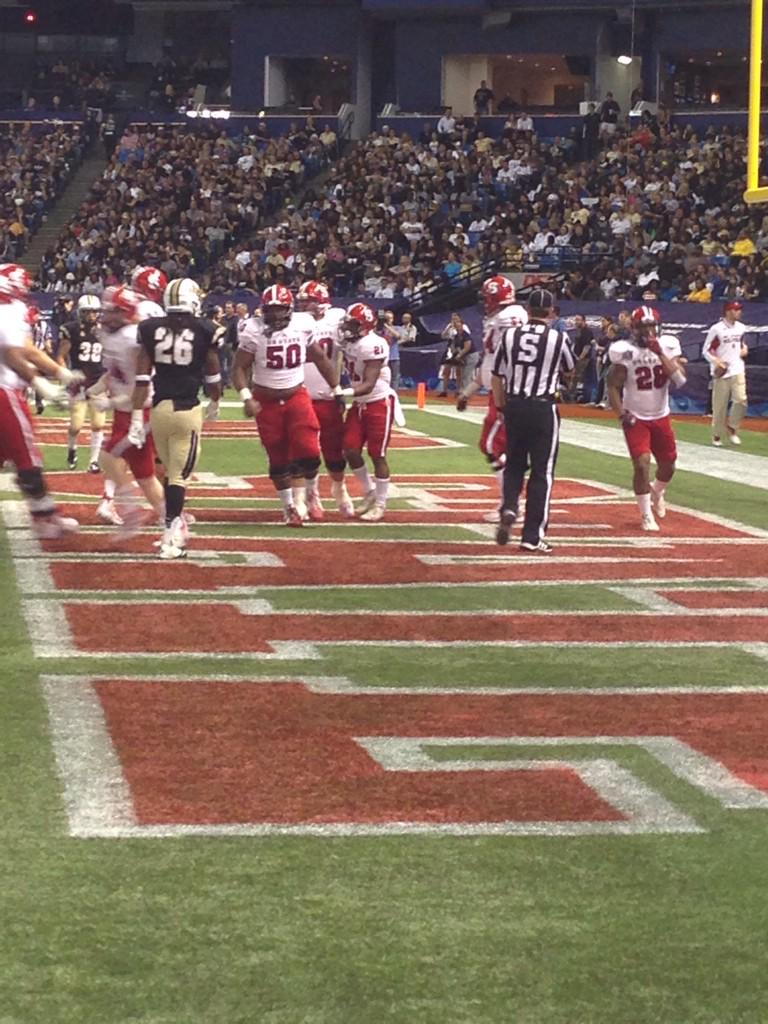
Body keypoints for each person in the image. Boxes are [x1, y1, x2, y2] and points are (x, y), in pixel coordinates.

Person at [129, 278, 223, 559]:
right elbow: (213, 375)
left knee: (172, 474)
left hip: (158, 411)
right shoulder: (207, 329)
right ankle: (171, 537)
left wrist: (136, 417)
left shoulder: (148, 329)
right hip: (186, 410)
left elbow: (143, 378)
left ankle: (173, 528)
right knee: (179, 478)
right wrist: (215, 401)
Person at [232, 283, 339, 527]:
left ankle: (311, 494)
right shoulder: (252, 330)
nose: (276, 315)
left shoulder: (303, 324)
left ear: (289, 309)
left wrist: (337, 388)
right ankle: (289, 506)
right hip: (266, 400)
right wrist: (246, 396)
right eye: (271, 310)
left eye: (280, 309)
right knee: (278, 457)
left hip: (296, 395)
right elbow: (239, 367)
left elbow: (320, 358)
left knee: (310, 450)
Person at [491, 288, 575, 553]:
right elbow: (570, 369)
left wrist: (502, 405)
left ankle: (509, 508)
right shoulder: (558, 338)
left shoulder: (510, 335)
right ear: (551, 311)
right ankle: (532, 535)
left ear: (527, 310)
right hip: (542, 407)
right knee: (542, 472)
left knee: (515, 465)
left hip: (514, 404)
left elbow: (497, 375)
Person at [0, 264, 79, 539]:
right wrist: (42, 383)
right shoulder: (7, 310)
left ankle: (43, 515)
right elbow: (14, 354)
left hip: (7, 389)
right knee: (27, 457)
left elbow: (28, 350)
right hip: (4, 392)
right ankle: (45, 518)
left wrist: (60, 373)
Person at [87, 285, 165, 538]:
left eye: (110, 311)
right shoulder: (114, 336)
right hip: (126, 410)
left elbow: (143, 383)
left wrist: (110, 403)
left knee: (107, 457)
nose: (104, 316)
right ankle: (174, 520)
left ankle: (129, 513)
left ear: (124, 313)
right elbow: (115, 372)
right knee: (145, 476)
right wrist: (95, 389)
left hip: (140, 410)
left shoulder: (133, 338)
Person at [607, 306, 687, 533]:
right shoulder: (625, 351)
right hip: (636, 416)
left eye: (652, 326)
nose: (650, 331)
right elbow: (613, 385)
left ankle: (658, 491)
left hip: (661, 414)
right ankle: (645, 514)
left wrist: (659, 352)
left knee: (668, 465)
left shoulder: (668, 345)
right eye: (645, 327)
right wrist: (621, 413)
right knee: (642, 465)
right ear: (634, 329)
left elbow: (680, 380)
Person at [456, 275, 528, 522]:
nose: (485, 303)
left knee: (492, 445)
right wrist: (469, 391)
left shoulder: (505, 320)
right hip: (508, 388)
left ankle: (512, 503)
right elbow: (491, 362)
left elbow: (499, 361)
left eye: (488, 298)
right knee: (501, 448)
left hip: (505, 391)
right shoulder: (511, 314)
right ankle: (513, 500)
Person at [295, 279, 354, 519]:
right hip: (299, 393)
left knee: (333, 450)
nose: (304, 305)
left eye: (308, 301)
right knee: (303, 449)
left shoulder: (338, 319)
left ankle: (340, 489)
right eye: (302, 301)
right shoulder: (295, 322)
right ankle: (310, 494)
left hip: (328, 394)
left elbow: (354, 346)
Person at [337, 302, 394, 522]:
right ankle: (369, 491)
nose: (348, 328)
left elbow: (369, 384)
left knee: (377, 454)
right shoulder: (352, 343)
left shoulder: (373, 344)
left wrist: (343, 392)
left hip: (378, 402)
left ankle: (380, 503)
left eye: (353, 324)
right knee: (350, 448)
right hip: (360, 405)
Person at [58, 294, 106, 472]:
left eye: (95, 312)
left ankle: (94, 461)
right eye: (88, 312)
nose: (92, 315)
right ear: (81, 313)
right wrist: (67, 376)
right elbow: (61, 357)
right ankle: (72, 449)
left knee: (98, 424)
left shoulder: (104, 330)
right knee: (76, 425)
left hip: (98, 381)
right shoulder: (72, 329)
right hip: (79, 381)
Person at [702, 300, 749, 446]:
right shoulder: (717, 329)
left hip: (737, 368)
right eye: (736, 310)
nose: (739, 312)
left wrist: (744, 350)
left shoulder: (741, 328)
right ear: (728, 311)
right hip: (722, 372)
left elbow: (741, 344)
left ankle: (732, 427)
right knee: (720, 406)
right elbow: (706, 350)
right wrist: (717, 362)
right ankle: (717, 434)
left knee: (741, 399)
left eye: (739, 309)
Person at [438, 313, 473, 397]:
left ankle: (458, 390)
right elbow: (443, 336)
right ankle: (444, 390)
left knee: (458, 371)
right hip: (450, 347)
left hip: (459, 346)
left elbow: (466, 337)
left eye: (456, 318)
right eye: (453, 318)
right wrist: (448, 328)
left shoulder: (464, 326)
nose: (454, 319)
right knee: (446, 369)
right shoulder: (449, 326)